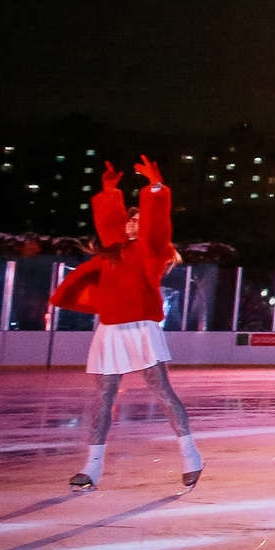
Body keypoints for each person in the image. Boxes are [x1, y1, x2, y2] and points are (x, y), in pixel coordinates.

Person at [55, 158, 203, 491]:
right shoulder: (113, 250)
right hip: (110, 329)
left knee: (162, 391)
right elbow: (109, 222)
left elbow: (157, 223)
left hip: (140, 328)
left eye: (138, 218)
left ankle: (191, 455)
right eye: (130, 219)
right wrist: (109, 191)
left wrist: (155, 186)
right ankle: (92, 467)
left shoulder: (152, 249)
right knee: (103, 398)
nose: (133, 222)